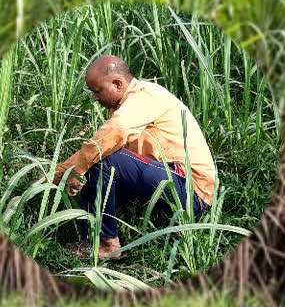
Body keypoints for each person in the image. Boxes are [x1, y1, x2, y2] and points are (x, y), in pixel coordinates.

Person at [52, 55, 216, 260]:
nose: (95, 98)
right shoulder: (132, 104)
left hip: (191, 193)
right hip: (172, 182)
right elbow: (101, 147)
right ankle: (100, 231)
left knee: (100, 163)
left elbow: (115, 133)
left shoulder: (145, 96)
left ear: (118, 84)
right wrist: (53, 178)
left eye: (97, 91)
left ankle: (104, 245)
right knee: (95, 163)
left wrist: (78, 169)